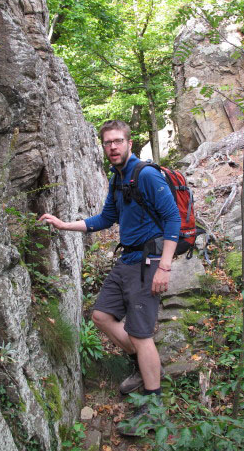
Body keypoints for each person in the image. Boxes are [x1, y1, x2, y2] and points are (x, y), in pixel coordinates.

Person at [39, 119, 180, 436]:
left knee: (142, 333)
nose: (113, 147)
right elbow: (105, 219)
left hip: (148, 261)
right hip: (127, 259)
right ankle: (142, 366)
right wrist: (65, 225)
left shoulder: (146, 174)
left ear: (129, 143)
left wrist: (165, 266)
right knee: (101, 315)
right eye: (107, 143)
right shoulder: (117, 179)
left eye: (118, 141)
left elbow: (172, 218)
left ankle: (152, 408)